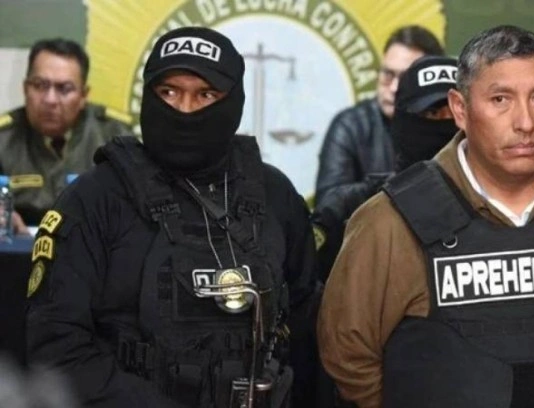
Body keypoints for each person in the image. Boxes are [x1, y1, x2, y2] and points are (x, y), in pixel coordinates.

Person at [318, 25, 534, 408]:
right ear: (460, 109)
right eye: (500, 99)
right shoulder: (389, 222)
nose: (525, 122)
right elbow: (347, 357)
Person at [26, 27, 319, 408]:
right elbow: (56, 348)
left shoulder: (275, 196)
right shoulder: (94, 200)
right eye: (169, 92)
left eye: (205, 95)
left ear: (234, 102)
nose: (184, 110)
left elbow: (306, 330)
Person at [312, 27, 445, 279]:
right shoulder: (350, 125)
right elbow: (329, 205)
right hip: (363, 261)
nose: (393, 87)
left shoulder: (448, 127)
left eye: (404, 79)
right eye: (387, 75)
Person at [0, 38, 132, 229]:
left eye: (64, 89)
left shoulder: (114, 135)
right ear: (25, 88)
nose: (50, 100)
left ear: (83, 96)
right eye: (40, 85)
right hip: (18, 245)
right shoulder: (4, 138)